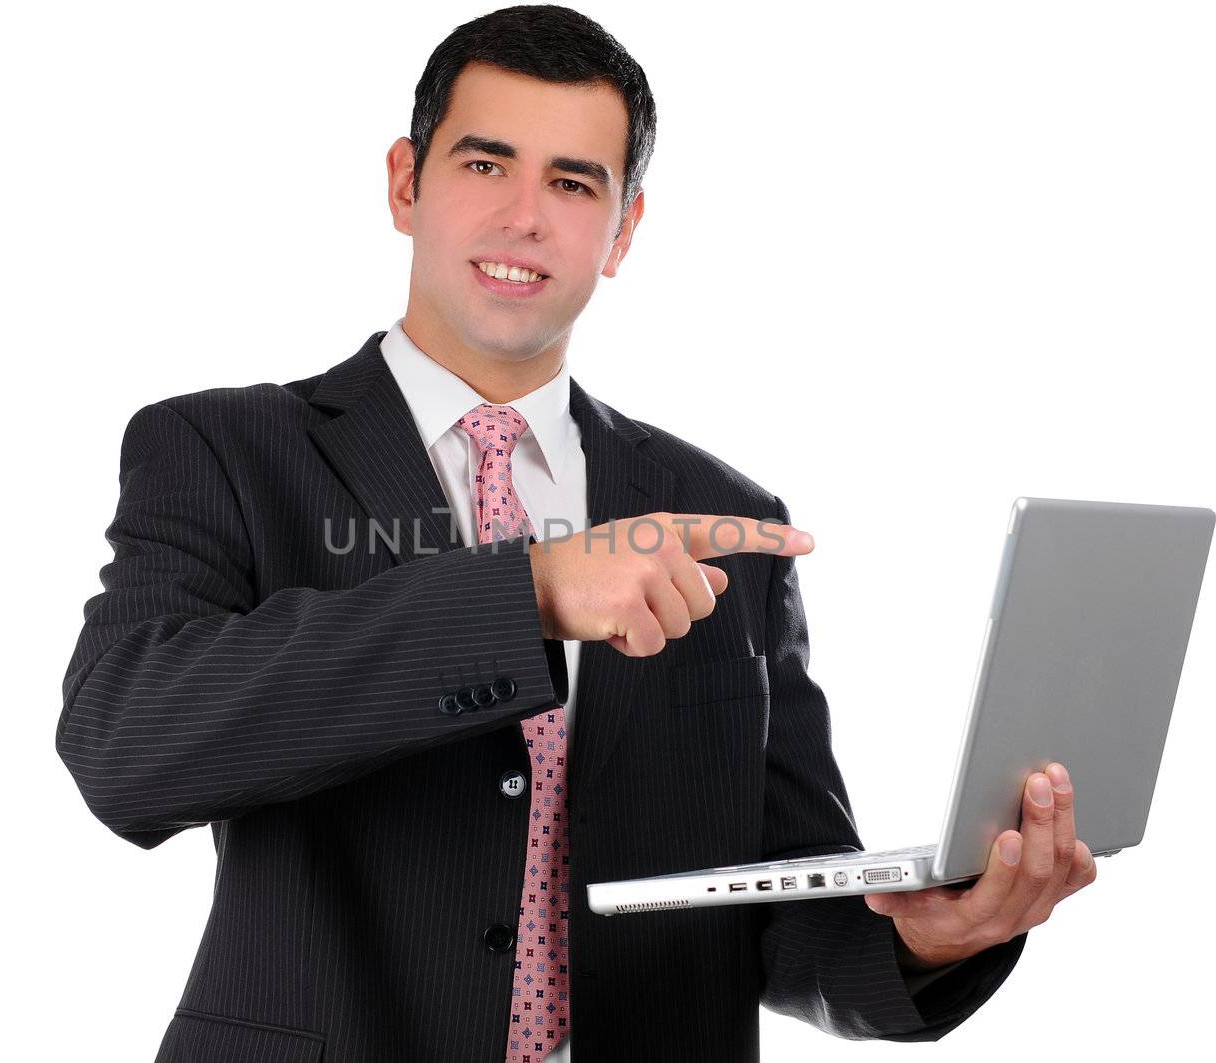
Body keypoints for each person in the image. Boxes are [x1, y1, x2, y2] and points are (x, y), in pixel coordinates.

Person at [56, 6, 1096, 1061]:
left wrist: (925, 939)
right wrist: (528, 592)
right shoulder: (223, 448)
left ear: (624, 229)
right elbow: (124, 748)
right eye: (484, 164)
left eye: (571, 183)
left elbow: (777, 900)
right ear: (405, 183)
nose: (524, 219)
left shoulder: (722, 514)